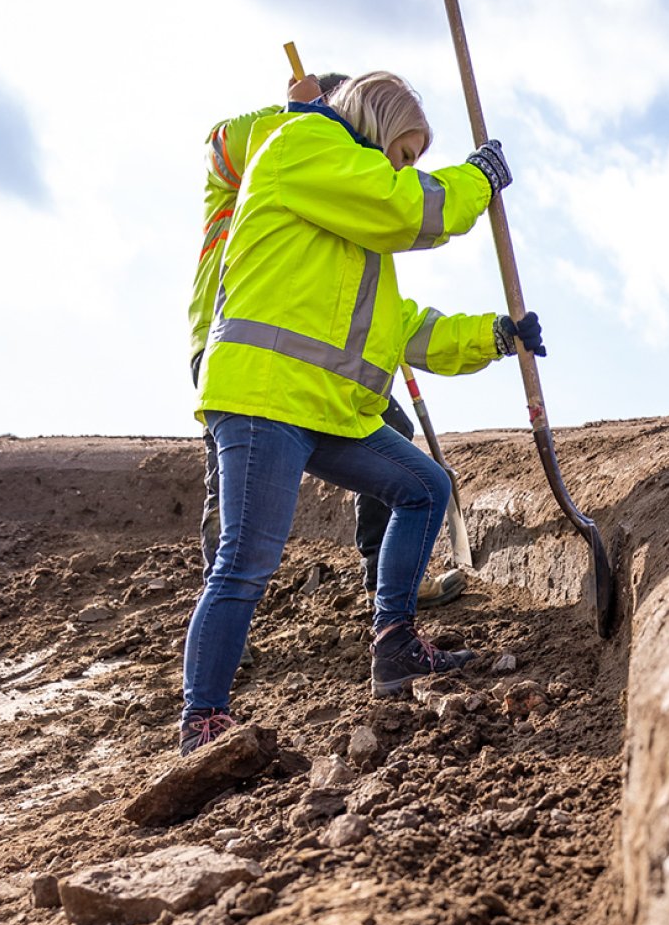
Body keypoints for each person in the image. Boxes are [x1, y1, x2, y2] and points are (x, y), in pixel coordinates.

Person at [179, 68, 543, 752]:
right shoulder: (303, 144)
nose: (402, 169)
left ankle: (394, 643)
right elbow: (412, 208)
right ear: (372, 124)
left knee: (423, 486)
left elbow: (399, 327)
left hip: (320, 408)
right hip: (263, 399)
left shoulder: (351, 220)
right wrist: (476, 181)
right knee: (247, 561)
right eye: (402, 154)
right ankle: (202, 722)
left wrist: (495, 335)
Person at [188, 71, 463, 628]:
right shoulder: (284, 142)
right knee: (234, 497)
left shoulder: (335, 173)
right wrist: (301, 113)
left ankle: (379, 575)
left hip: (315, 348)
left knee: (391, 429)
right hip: (238, 337)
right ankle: (225, 613)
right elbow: (220, 148)